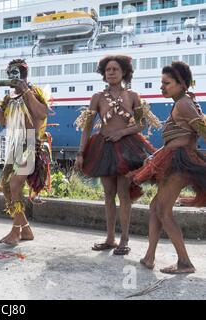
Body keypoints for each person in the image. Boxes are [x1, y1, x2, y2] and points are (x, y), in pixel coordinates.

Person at [74, 55, 160, 255]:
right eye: (108, 70)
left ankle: (124, 239)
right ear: (104, 74)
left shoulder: (133, 96)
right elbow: (86, 128)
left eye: (115, 69)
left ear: (124, 73)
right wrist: (80, 153)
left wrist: (121, 132)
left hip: (127, 149)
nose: (111, 72)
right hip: (103, 149)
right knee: (108, 194)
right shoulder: (97, 97)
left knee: (123, 193)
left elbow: (141, 124)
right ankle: (110, 238)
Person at [130, 61, 206, 274]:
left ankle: (184, 262)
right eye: (161, 83)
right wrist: (155, 155)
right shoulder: (182, 102)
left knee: (163, 211)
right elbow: (181, 135)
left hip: (179, 163)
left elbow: (200, 132)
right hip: (172, 158)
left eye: (167, 83)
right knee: (155, 208)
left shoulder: (184, 103)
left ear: (182, 83)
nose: (162, 87)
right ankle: (149, 257)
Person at [0, 59, 52, 246]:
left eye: (16, 73)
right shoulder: (9, 99)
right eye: (10, 73)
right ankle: (26, 230)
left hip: (32, 144)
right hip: (15, 146)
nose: (12, 76)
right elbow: (1, 121)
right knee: (7, 186)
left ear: (24, 75)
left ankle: (15, 232)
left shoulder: (34, 93)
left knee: (15, 184)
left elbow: (42, 114)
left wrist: (25, 91)